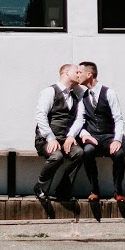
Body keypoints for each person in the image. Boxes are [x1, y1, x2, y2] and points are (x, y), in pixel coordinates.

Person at [76, 61, 125, 202]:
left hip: (109, 136)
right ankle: (94, 190)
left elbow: (118, 118)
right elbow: (80, 121)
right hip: (92, 137)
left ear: (89, 74)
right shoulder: (82, 97)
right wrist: (85, 135)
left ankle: (118, 191)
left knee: (119, 154)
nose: (77, 75)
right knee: (87, 151)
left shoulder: (109, 93)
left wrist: (117, 139)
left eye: (79, 72)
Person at [33, 63, 86, 203]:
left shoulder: (76, 96)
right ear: (67, 72)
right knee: (57, 156)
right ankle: (40, 187)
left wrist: (71, 136)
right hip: (46, 139)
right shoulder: (50, 91)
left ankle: (63, 190)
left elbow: (80, 119)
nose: (80, 74)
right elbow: (40, 116)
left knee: (79, 153)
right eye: (77, 72)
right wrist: (50, 138)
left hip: (65, 139)